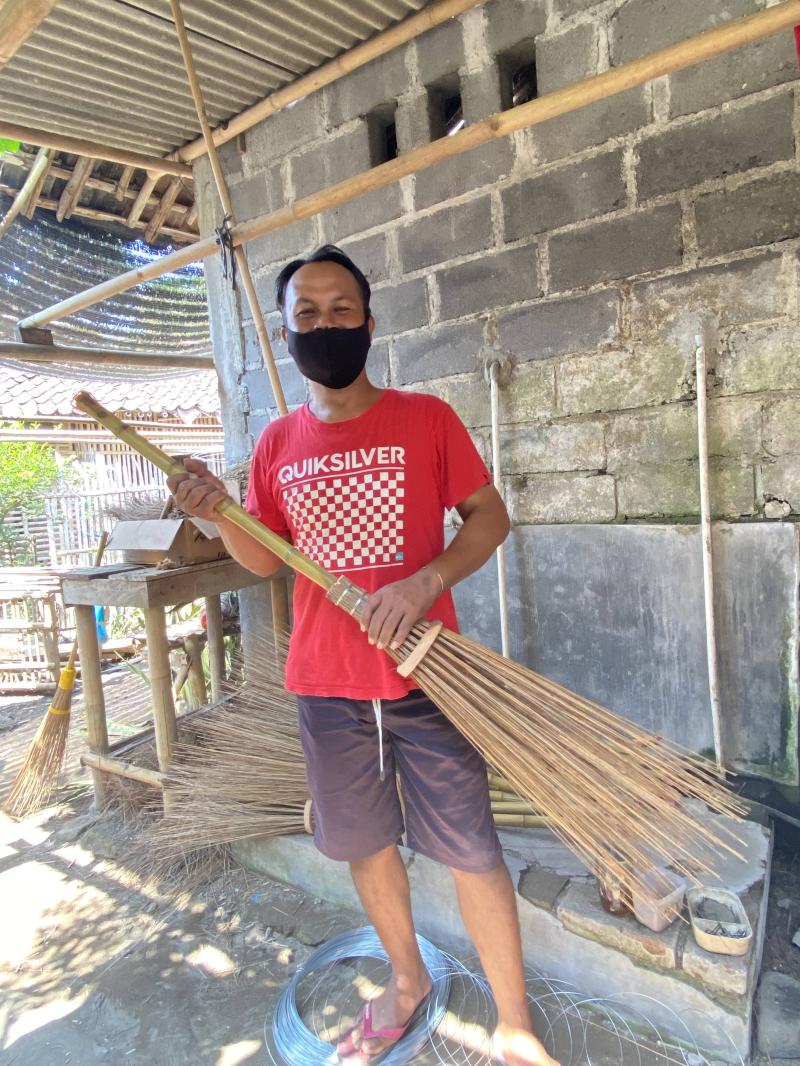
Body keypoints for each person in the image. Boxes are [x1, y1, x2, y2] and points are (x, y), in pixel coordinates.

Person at [168, 245, 559, 1066]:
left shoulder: (426, 419)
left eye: (341, 309)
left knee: (472, 849)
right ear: (286, 333)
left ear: (370, 323)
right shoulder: (277, 443)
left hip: (430, 674)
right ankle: (407, 981)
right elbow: (265, 560)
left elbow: (489, 516)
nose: (325, 325)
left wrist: (426, 580)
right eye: (306, 314)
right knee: (365, 845)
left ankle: (515, 1022)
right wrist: (215, 514)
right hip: (327, 685)